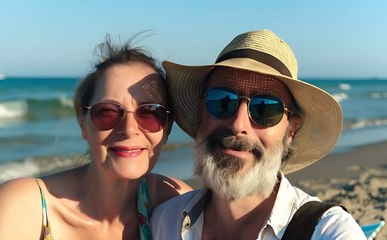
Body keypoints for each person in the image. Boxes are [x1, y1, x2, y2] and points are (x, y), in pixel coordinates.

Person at [150, 30, 366, 239]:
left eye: (265, 108)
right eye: (222, 101)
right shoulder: (165, 221)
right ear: (201, 113)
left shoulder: (327, 231)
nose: (238, 125)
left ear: (290, 130)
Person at [0, 34, 192, 240]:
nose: (129, 129)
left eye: (149, 112)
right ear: (83, 123)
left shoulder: (176, 202)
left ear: (167, 128)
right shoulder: (25, 206)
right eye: (108, 111)